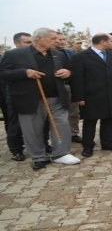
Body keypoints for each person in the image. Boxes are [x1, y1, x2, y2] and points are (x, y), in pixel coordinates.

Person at [0, 28, 80, 170]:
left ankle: (61, 154)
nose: (57, 41)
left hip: (56, 98)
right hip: (30, 99)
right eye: (53, 38)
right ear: (39, 39)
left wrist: (67, 73)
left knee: (62, 125)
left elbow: (70, 72)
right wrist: (25, 73)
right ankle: (39, 157)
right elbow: (4, 73)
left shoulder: (58, 54)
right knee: (32, 129)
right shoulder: (14, 54)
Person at [70, 33, 112, 158]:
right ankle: (88, 146)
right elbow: (77, 79)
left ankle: (107, 143)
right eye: (111, 41)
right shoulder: (80, 57)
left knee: (109, 119)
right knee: (90, 121)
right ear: (103, 42)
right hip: (91, 95)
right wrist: (79, 97)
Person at [2, 32, 33, 161]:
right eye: (27, 42)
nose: (30, 45)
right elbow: (3, 73)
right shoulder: (10, 55)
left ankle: (41, 144)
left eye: (31, 42)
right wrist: (24, 73)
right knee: (15, 125)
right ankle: (16, 150)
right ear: (17, 43)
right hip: (15, 96)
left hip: (32, 95)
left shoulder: (33, 55)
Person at [55, 32, 82, 144]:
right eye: (59, 39)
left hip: (69, 85)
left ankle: (73, 133)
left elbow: (77, 69)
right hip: (54, 87)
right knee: (57, 114)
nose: (62, 41)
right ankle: (57, 136)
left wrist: (70, 72)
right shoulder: (47, 54)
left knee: (73, 112)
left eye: (63, 39)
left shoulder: (70, 53)